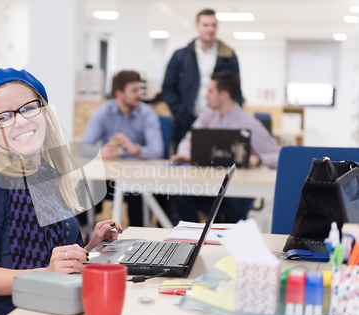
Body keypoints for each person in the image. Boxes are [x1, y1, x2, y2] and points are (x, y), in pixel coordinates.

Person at [0, 68, 123, 315]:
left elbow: (54, 257)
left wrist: (92, 247)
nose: (21, 121)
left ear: (44, 111)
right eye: (4, 117)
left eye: (28, 108)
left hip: (62, 303)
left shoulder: (46, 175)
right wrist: (47, 272)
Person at [171, 71, 280, 223]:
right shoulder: (208, 116)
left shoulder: (248, 123)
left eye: (210, 91)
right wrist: (186, 153)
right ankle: (195, 236)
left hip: (234, 188)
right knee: (179, 192)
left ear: (224, 95)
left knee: (234, 198)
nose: (206, 95)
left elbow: (279, 154)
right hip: (205, 183)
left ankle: (227, 240)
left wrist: (259, 158)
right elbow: (187, 139)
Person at [81, 70, 165, 227]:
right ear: (119, 93)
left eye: (140, 90)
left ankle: (139, 238)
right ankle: (84, 233)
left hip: (139, 178)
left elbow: (157, 150)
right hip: (110, 177)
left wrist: (136, 150)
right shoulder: (103, 112)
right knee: (84, 185)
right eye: (134, 91)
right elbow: (84, 146)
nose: (139, 94)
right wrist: (101, 153)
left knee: (139, 195)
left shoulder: (147, 114)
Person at [162, 8, 242, 150]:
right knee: (184, 164)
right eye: (205, 25)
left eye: (213, 25)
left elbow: (236, 91)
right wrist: (180, 112)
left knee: (217, 164)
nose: (210, 29)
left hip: (218, 122)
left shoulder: (229, 57)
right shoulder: (180, 56)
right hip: (185, 121)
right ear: (197, 26)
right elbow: (168, 88)